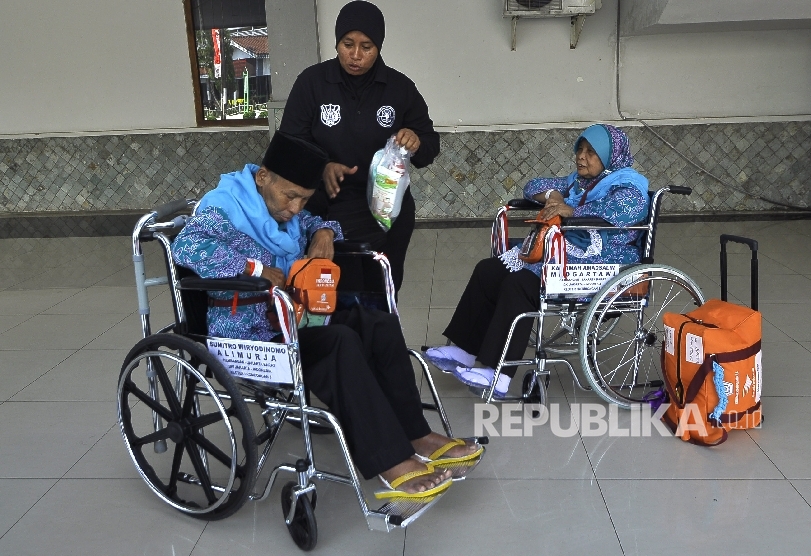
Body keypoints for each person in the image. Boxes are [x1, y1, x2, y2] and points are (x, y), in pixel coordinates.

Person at [171, 131, 480, 499]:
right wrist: (252, 268)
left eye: (304, 199)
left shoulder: (284, 210)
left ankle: (416, 432)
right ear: (263, 177)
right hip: (251, 334)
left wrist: (322, 232)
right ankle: (390, 460)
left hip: (294, 320)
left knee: (376, 322)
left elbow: (316, 221)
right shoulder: (225, 208)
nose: (295, 208)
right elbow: (186, 245)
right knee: (340, 342)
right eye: (291, 196)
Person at [425, 124, 649, 398]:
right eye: (580, 149)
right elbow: (534, 186)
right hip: (568, 249)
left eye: (591, 152)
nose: (581, 156)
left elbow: (627, 210)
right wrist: (553, 197)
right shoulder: (578, 183)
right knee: (489, 270)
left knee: (520, 285)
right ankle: (465, 350)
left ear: (610, 156)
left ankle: (500, 374)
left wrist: (572, 209)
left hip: (604, 260)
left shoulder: (628, 185)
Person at [279, 0, 440, 294]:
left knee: (383, 289)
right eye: (347, 44)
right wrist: (322, 166)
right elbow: (289, 146)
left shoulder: (399, 88)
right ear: (337, 42)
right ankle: (341, 337)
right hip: (325, 203)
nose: (355, 55)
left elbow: (430, 146)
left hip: (386, 207)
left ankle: (379, 336)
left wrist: (415, 140)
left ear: (378, 46)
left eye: (366, 46)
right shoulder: (312, 83)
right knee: (335, 289)